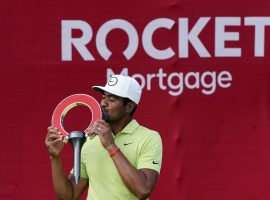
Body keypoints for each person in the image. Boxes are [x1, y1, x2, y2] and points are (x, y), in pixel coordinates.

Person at [45, 75, 163, 200]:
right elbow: (69, 196)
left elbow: (143, 190)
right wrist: (55, 157)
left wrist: (110, 146)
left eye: (111, 100)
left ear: (129, 107)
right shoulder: (90, 139)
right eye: (103, 97)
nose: (103, 103)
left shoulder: (149, 138)